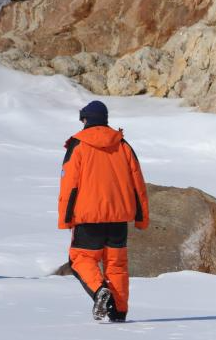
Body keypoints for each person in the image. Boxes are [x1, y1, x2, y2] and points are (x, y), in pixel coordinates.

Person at [58, 100, 149, 322]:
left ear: (86, 119)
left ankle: (100, 292)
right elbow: (138, 183)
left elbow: (69, 184)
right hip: (119, 218)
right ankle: (118, 313)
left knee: (80, 259)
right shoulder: (123, 145)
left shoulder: (78, 145)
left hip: (88, 217)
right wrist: (142, 218)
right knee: (116, 266)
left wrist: (65, 218)